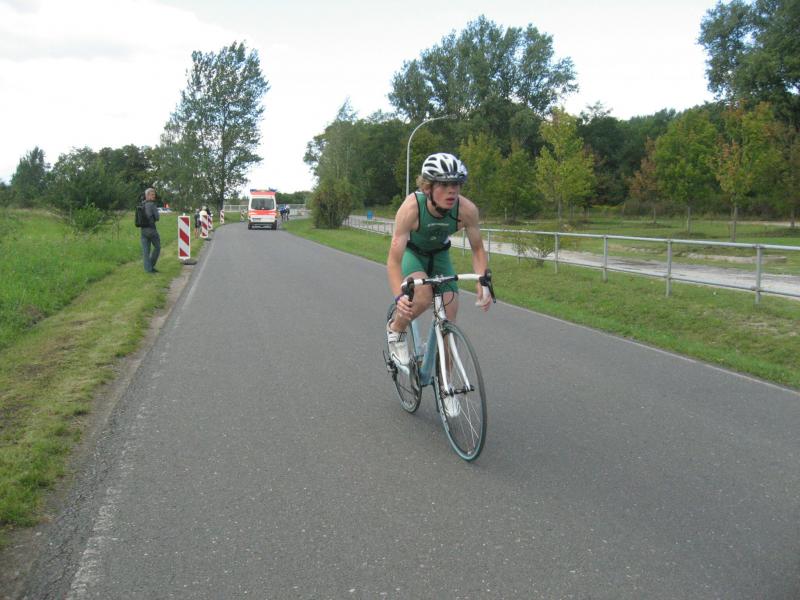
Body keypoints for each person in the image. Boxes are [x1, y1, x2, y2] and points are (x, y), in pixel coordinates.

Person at [386, 153, 491, 366]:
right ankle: (395, 329)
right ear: (428, 188)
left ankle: (446, 384)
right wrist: (399, 297)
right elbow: (394, 261)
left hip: (440, 256)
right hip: (413, 254)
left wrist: (483, 281)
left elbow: (478, 248)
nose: (452, 190)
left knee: (448, 326)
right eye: (444, 184)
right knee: (423, 296)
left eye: (456, 184)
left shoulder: (467, 210)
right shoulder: (411, 208)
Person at [140, 187, 160, 273]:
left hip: (143, 230)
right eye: (152, 194)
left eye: (154, 194)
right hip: (151, 230)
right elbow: (157, 217)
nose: (154, 196)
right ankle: (151, 266)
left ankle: (148, 269)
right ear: (147, 195)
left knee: (146, 251)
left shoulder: (142, 204)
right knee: (157, 247)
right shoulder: (152, 205)